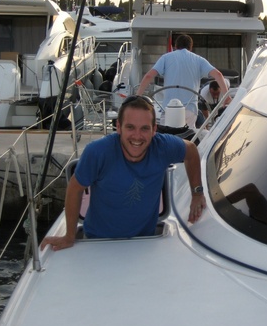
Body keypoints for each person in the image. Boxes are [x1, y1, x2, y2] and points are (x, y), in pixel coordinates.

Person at [40, 95, 206, 251]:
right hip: (97, 242)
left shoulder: (162, 147)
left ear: (154, 129)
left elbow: (191, 151)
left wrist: (197, 193)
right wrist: (69, 236)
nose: (137, 136)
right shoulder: (97, 152)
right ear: (118, 127)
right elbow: (75, 188)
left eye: (145, 128)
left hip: (145, 242)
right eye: (130, 127)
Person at [136, 34, 231, 128]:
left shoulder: (165, 58)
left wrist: (137, 97)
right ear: (191, 47)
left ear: (175, 46)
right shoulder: (199, 60)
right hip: (190, 109)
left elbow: (148, 76)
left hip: (169, 109)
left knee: (167, 134)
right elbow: (218, 75)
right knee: (188, 135)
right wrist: (226, 96)